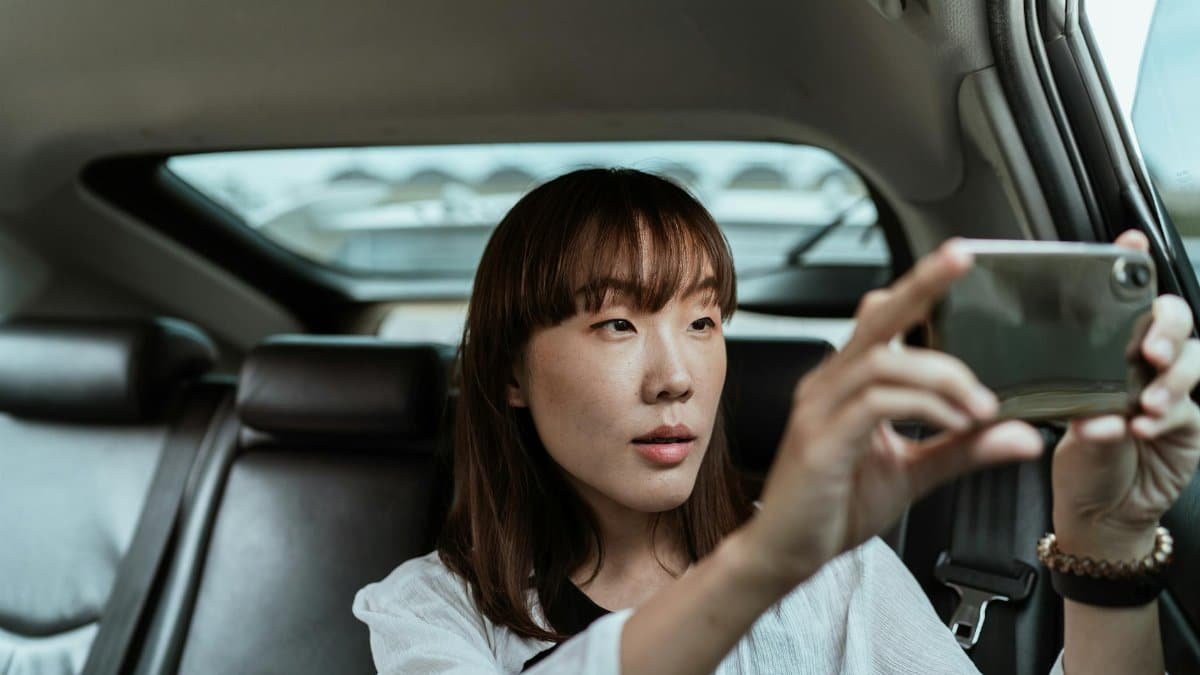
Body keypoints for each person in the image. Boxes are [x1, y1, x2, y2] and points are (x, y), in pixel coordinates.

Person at [353, 168, 1200, 674]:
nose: (675, 377)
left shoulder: (836, 571)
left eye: (704, 320)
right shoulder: (431, 610)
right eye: (617, 323)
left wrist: (1106, 546)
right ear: (509, 372)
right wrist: (770, 558)